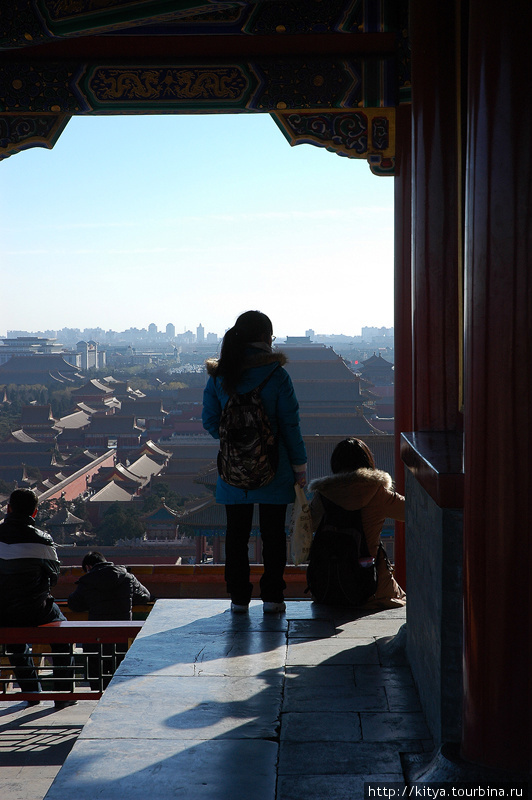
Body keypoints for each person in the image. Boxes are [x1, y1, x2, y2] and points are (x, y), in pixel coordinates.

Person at [202, 310, 307, 614]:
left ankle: (238, 598)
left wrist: (234, 441)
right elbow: (290, 426)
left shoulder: (221, 375)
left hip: (233, 471)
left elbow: (209, 420)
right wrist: (299, 468)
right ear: (264, 338)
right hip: (275, 468)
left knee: (236, 535)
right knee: (274, 534)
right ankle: (273, 597)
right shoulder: (277, 375)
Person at [308, 438, 406, 608]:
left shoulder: (323, 495)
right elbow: (411, 511)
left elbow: (307, 526)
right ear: (367, 462)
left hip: (327, 586)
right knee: (403, 598)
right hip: (372, 588)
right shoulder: (378, 492)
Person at [0, 488, 75, 708]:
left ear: (8, 508)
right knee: (61, 636)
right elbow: (53, 577)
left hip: (2, 612)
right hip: (36, 608)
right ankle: (63, 693)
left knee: (15, 642)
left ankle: (31, 691)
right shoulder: (43, 541)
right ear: (34, 512)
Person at [68, 551, 151, 689]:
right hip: (121, 639)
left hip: (96, 639)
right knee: (119, 678)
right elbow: (145, 596)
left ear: (88, 567)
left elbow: (73, 604)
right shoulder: (127, 577)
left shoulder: (88, 581)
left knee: (96, 678)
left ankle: (97, 699)